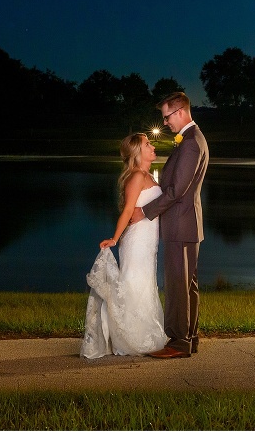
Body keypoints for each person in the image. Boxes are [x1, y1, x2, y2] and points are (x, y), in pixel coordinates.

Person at [130, 92, 209, 359]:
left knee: (177, 285)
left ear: (180, 112)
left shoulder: (190, 143)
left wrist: (145, 212)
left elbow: (176, 191)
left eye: (167, 117)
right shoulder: (191, 140)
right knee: (188, 285)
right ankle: (190, 337)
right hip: (187, 223)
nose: (165, 123)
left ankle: (178, 343)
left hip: (179, 224)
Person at [80, 133, 168, 358]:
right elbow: (128, 210)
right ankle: (128, 338)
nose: (153, 146)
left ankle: (143, 332)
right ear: (137, 153)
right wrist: (115, 238)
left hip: (149, 242)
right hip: (137, 241)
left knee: (144, 283)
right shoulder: (137, 176)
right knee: (133, 283)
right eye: (148, 144)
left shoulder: (147, 174)